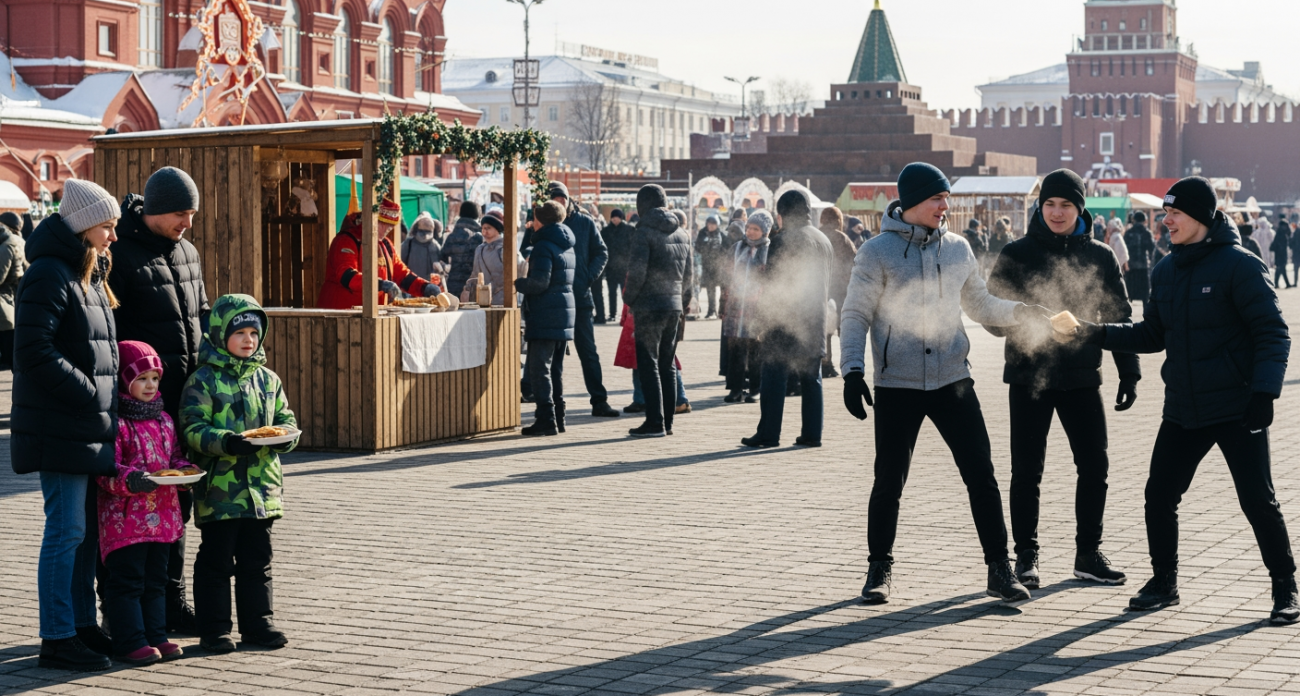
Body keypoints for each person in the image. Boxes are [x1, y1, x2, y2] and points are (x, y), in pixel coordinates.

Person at [1074, 177, 1298, 624]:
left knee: (1257, 499)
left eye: (1174, 213)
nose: (1166, 221)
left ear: (1200, 216)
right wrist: (1097, 334)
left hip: (1236, 407)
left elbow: (1273, 332)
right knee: (1159, 495)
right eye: (1165, 213)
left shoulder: (1240, 266)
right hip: (1182, 407)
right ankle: (1164, 582)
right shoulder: (1165, 270)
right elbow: (1152, 334)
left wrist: (1264, 393)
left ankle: (1285, 587)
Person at [840, 162, 1051, 606]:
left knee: (981, 474)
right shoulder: (876, 252)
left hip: (953, 378)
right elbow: (855, 313)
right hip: (897, 383)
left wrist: (1019, 312)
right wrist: (852, 370)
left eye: (946, 199)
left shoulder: (957, 248)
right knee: (889, 480)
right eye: (938, 198)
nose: (945, 206)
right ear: (913, 201)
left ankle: (1000, 568)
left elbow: (979, 303)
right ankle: (879, 568)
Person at [985, 169, 1138, 591]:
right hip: (1029, 376)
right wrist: (1018, 318)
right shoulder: (1017, 253)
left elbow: (1119, 316)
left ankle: (1088, 553)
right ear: (1040, 206)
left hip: (1083, 376)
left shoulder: (1101, 256)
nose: (1057, 212)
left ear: (1080, 208)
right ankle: (1027, 557)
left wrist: (1129, 370)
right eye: (1050, 204)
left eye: (1066, 205)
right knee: (1026, 471)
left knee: (1095, 465)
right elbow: (990, 313)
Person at [13, 178, 121, 671]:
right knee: (66, 531)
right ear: (82, 226)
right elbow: (33, 351)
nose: (114, 236)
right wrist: (88, 392)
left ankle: (80, 625)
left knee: (82, 536)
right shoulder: (49, 275)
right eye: (107, 226)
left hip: (85, 423)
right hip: (62, 424)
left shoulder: (87, 272)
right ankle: (56, 636)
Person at [107, 166, 207, 632]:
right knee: (131, 511)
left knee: (175, 505)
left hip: (181, 403)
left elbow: (201, 314)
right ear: (152, 210)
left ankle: (171, 602)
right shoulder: (120, 255)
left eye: (191, 213)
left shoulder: (188, 252)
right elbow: (111, 334)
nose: (187, 222)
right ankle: (127, 612)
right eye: (180, 214)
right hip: (137, 406)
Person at [181, 294, 299, 652]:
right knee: (216, 560)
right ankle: (214, 629)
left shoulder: (267, 379)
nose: (249, 339)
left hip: (262, 490)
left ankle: (258, 624)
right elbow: (192, 429)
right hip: (220, 491)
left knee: (257, 560)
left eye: (254, 332)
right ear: (219, 335)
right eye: (240, 332)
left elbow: (285, 420)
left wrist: (283, 440)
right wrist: (228, 442)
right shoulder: (203, 381)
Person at [97, 341, 188, 665]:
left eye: (155, 378)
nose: (150, 386)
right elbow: (105, 469)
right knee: (127, 581)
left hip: (162, 517)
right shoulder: (116, 423)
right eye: (141, 379)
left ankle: (155, 634)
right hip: (126, 520)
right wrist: (130, 479)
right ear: (124, 380)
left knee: (156, 580)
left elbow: (174, 456)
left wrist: (185, 470)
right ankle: (128, 639)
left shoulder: (164, 420)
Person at [741, 190, 832, 448]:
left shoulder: (783, 241)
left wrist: (762, 321)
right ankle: (812, 434)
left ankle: (769, 433)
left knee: (773, 376)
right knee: (811, 377)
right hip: (814, 319)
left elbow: (773, 285)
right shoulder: (823, 240)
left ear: (782, 214)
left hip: (784, 320)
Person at [623, 184, 693, 437]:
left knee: (648, 363)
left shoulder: (643, 232)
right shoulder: (683, 233)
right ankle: (669, 422)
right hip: (673, 306)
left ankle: (654, 422)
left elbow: (637, 272)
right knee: (667, 363)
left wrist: (629, 299)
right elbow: (689, 277)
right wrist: (682, 302)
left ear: (643, 205)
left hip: (649, 305)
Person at [548, 183, 619, 418]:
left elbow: (602, 252)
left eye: (562, 199)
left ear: (569, 200)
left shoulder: (585, 222)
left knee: (588, 351)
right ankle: (553, 406)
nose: (559, 204)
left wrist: (588, 276)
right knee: (554, 354)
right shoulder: (542, 221)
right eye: (555, 200)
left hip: (580, 297)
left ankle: (599, 400)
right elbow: (528, 250)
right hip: (553, 300)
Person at [514, 201, 576, 436]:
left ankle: (546, 419)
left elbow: (540, 283)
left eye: (535, 219)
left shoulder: (543, 246)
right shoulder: (567, 243)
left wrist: (519, 283)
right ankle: (559, 418)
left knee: (540, 369)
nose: (532, 223)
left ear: (541, 221)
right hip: (563, 313)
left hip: (545, 314)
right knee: (555, 370)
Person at [318, 198, 441, 309]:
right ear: (372, 220)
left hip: (371, 314)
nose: (388, 229)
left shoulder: (385, 245)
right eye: (384, 224)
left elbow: (403, 276)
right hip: (339, 313)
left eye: (391, 225)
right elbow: (347, 276)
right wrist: (379, 284)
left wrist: (424, 287)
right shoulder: (346, 241)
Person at [723, 211, 771, 403]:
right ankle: (735, 389)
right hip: (736, 305)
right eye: (749, 227)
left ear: (765, 231)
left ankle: (755, 388)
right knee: (735, 349)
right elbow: (725, 274)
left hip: (758, 307)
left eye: (756, 229)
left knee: (755, 349)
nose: (750, 232)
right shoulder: (736, 248)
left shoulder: (770, 249)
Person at [820, 206, 855, 379]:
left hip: (821, 289)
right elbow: (854, 263)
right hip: (841, 290)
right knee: (844, 329)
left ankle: (825, 363)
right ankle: (847, 365)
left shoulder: (817, 235)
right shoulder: (842, 238)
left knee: (824, 328)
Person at [462, 212, 523, 307]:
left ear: (497, 229)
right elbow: (475, 274)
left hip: (504, 302)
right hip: (483, 301)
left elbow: (520, 270)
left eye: (488, 228)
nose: (484, 231)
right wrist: (467, 289)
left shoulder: (506, 248)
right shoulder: (479, 249)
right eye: (483, 228)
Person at [0, 213, 27, 369]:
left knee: (9, 357)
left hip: (6, 300)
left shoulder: (7, 245)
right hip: (15, 299)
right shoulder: (20, 241)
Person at [442, 201, 484, 297]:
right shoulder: (479, 237)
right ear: (477, 214)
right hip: (474, 283)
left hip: (453, 284)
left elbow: (442, 257)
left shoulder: (452, 236)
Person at [601, 208, 633, 322]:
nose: (615, 219)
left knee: (625, 293)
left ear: (621, 217)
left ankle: (626, 315)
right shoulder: (606, 231)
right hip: (611, 267)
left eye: (617, 217)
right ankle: (612, 313)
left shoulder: (629, 230)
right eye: (613, 217)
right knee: (611, 292)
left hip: (624, 267)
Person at [695, 215, 727, 319]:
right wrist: (705, 248)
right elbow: (697, 247)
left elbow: (726, 248)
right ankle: (711, 310)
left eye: (713, 224)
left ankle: (720, 310)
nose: (711, 226)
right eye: (709, 224)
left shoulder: (721, 234)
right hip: (707, 265)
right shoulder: (702, 233)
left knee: (722, 289)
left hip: (719, 266)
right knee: (710, 289)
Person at [1123, 211, 1157, 302]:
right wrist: (1150, 260)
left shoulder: (1129, 232)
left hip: (1131, 265)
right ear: (1144, 220)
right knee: (1145, 293)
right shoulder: (1147, 232)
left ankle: (1129, 313)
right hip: (1143, 265)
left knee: (1130, 291)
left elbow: (1124, 248)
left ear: (1134, 220)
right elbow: (1152, 248)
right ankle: (1146, 314)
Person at [400, 212, 444, 282]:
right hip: (411, 284)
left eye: (427, 230)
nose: (424, 235)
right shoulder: (408, 244)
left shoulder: (434, 246)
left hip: (426, 285)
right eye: (422, 230)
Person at [1270, 214, 1292, 289]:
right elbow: (1277, 244)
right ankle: (1282, 283)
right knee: (1280, 269)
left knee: (1280, 269)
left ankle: (1279, 283)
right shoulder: (1281, 234)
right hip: (1280, 254)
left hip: (1281, 254)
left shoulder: (1282, 233)